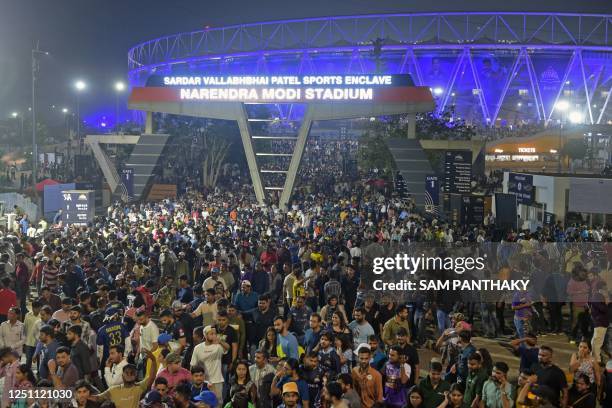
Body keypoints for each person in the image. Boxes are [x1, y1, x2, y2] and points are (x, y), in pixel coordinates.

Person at [90, 349, 157, 408]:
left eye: (132, 373)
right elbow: (97, 398)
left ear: (136, 376)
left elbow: (152, 377)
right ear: (122, 375)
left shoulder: (139, 387)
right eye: (127, 372)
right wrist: (83, 396)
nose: (129, 374)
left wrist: (153, 360)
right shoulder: (114, 390)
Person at [190, 325, 229, 402]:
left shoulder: (218, 347)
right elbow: (193, 365)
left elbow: (228, 348)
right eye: (211, 333)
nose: (214, 335)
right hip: (203, 382)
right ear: (205, 335)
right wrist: (193, 380)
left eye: (215, 333)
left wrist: (220, 341)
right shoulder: (198, 348)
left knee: (217, 403)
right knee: (202, 402)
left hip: (217, 380)